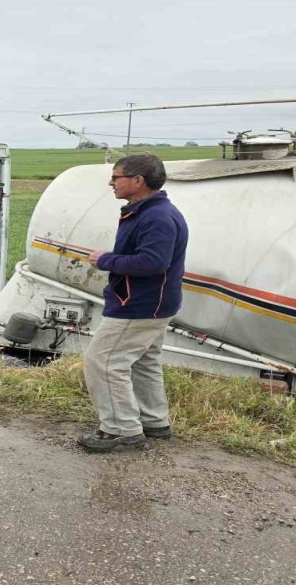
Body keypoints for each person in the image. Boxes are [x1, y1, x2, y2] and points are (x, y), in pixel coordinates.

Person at [80, 153, 189, 453]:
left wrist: (106, 260)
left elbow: (153, 262)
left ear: (137, 181)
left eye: (116, 177)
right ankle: (155, 421)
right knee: (144, 362)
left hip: (139, 305)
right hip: (154, 303)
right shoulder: (149, 211)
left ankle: (120, 429)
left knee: (103, 362)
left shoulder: (157, 217)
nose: (111, 182)